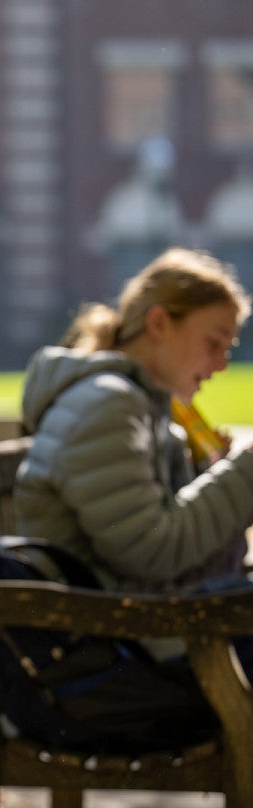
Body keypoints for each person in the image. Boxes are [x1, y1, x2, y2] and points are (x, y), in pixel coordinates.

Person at [16, 246, 253, 664]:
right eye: (214, 343)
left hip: (130, 640)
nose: (221, 365)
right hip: (113, 661)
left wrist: (206, 471)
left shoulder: (134, 404)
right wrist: (245, 475)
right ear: (159, 323)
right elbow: (153, 552)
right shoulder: (107, 405)